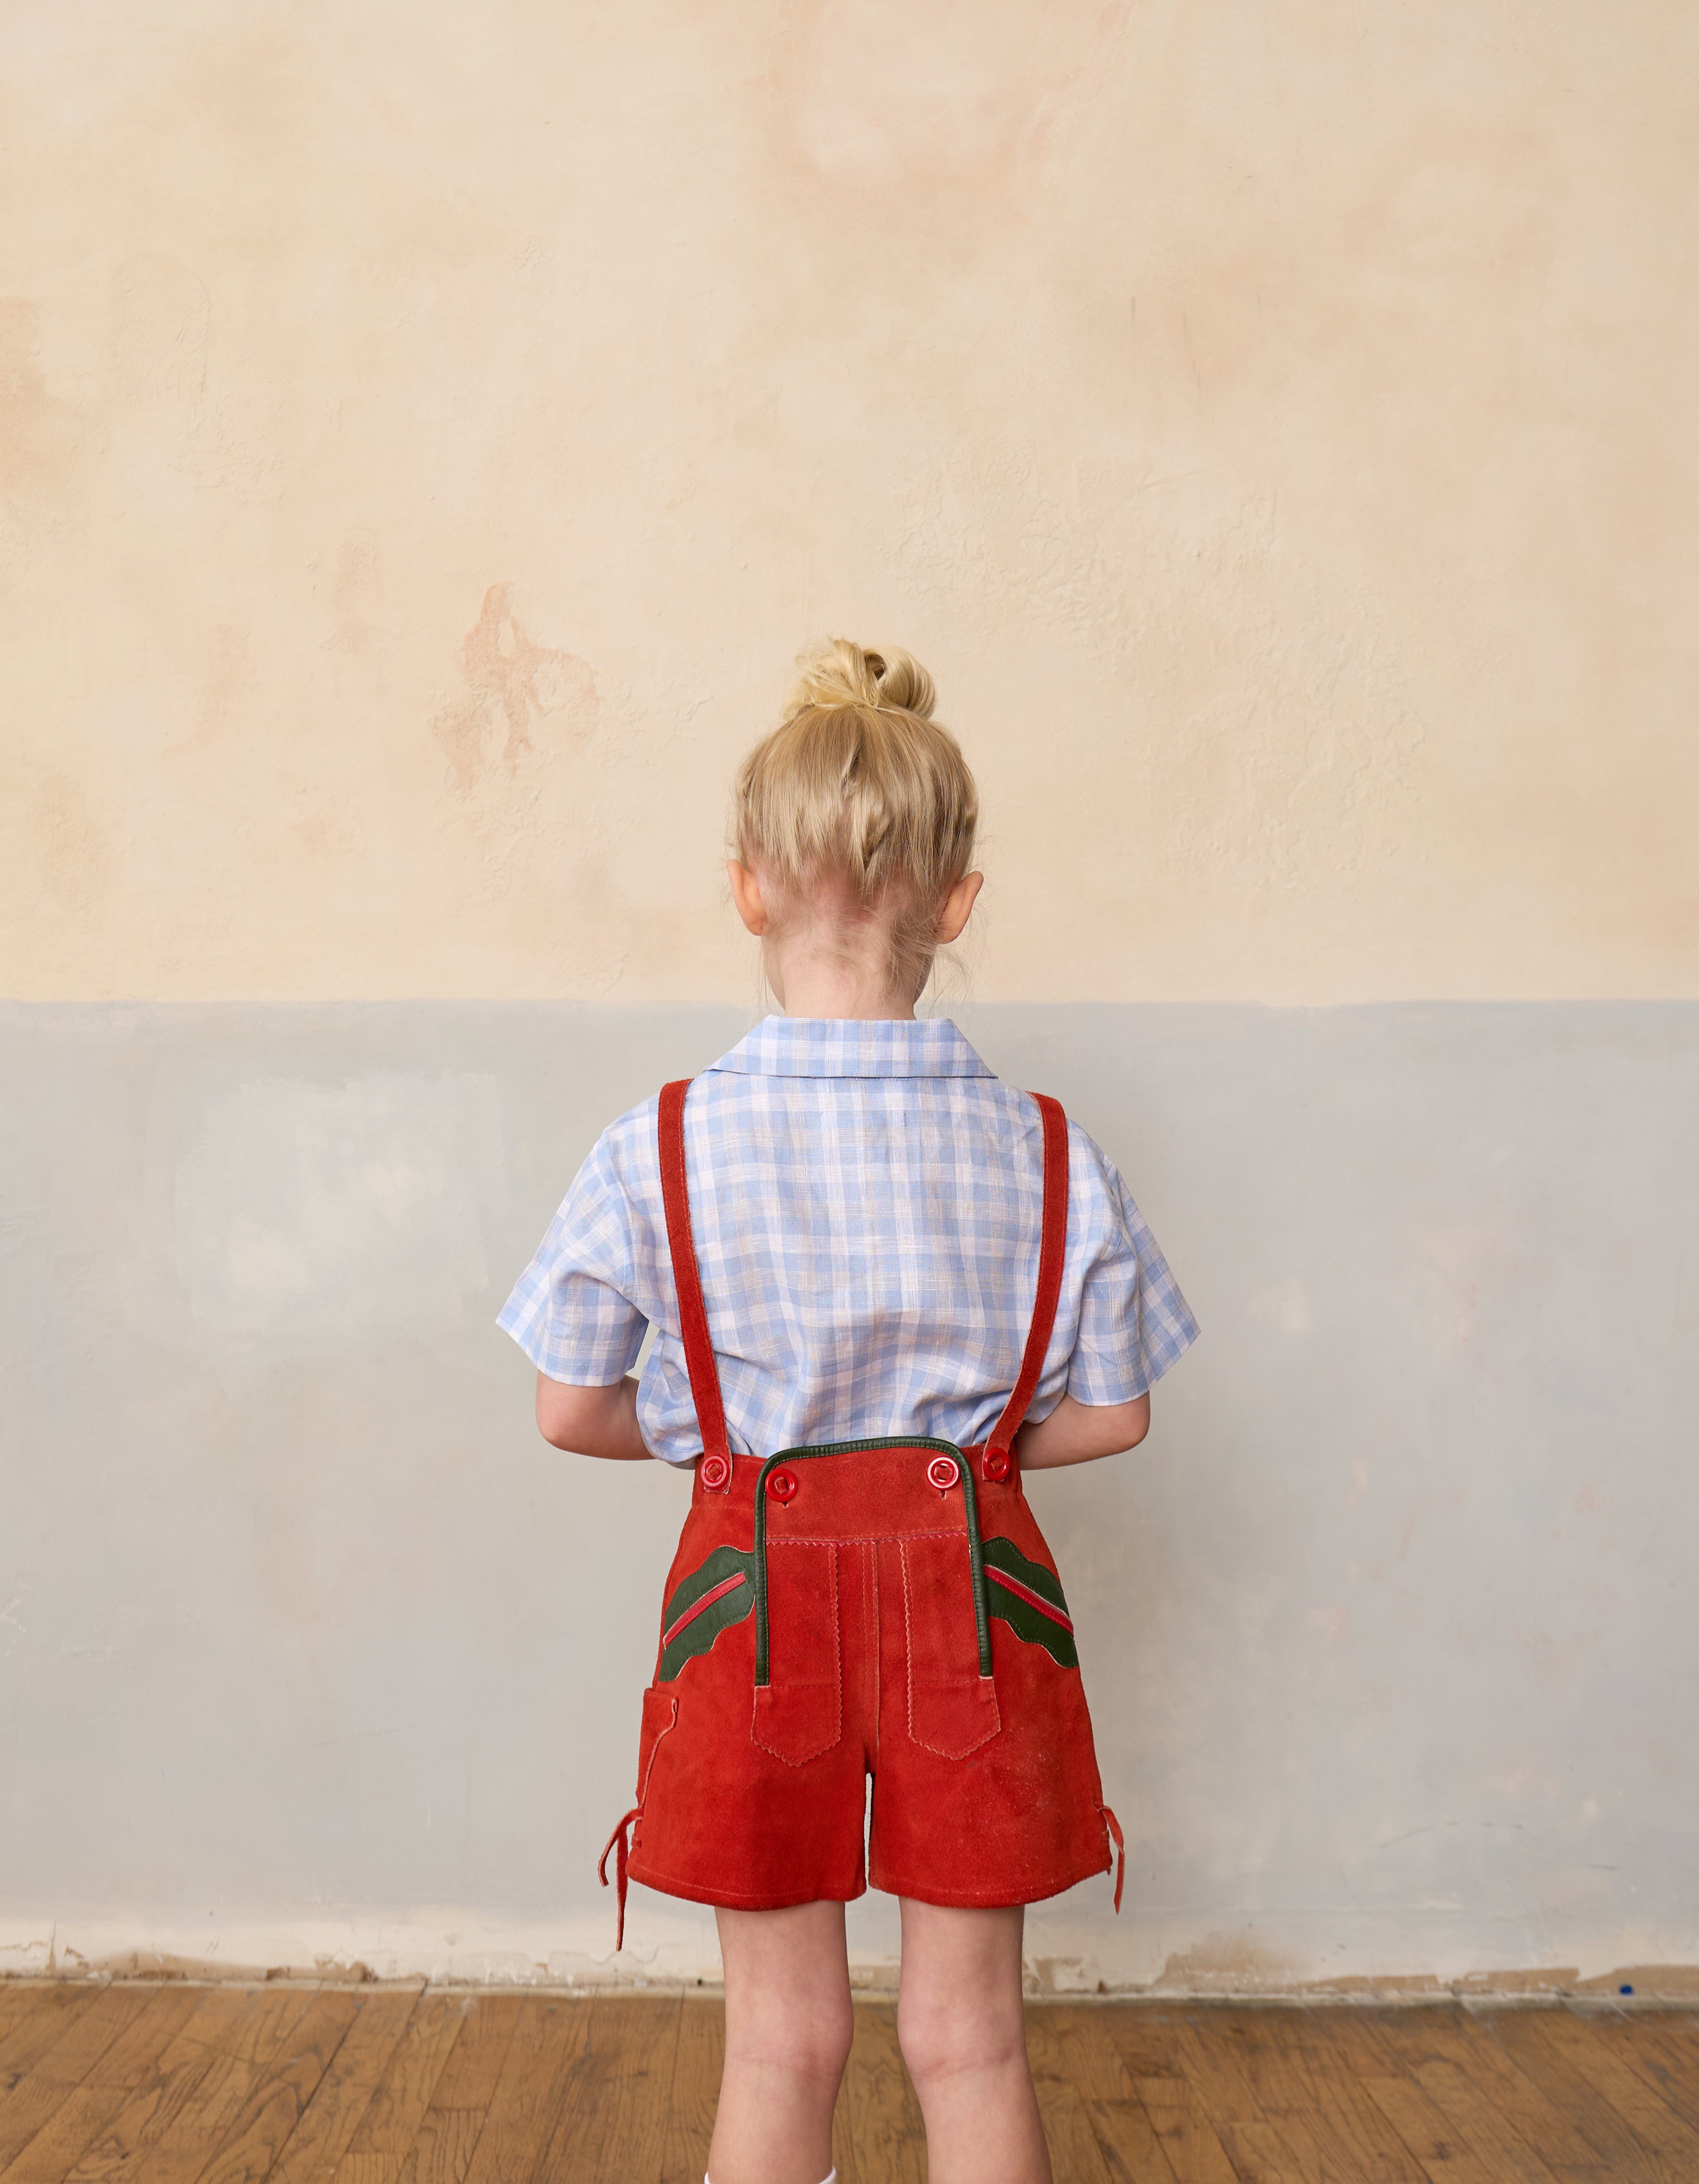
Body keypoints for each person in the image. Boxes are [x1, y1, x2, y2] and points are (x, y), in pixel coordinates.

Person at [498, 640, 1198, 2184]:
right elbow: (1119, 1417)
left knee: (780, 2042)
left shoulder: (656, 1144)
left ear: (749, 889)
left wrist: (724, 1451)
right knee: (971, 2042)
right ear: (956, 902)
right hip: (979, 1604)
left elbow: (568, 1409)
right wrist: (972, 1459)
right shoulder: (1050, 1149)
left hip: (751, 1606)